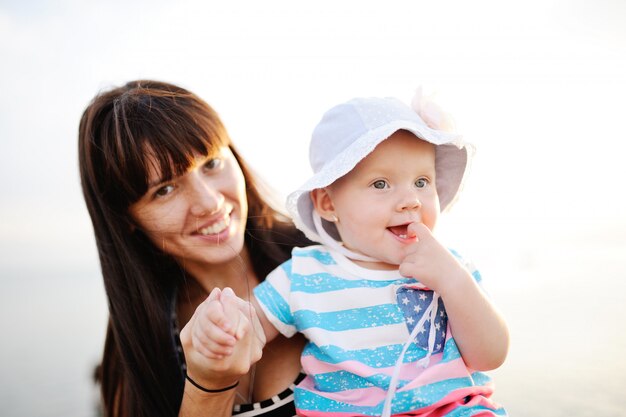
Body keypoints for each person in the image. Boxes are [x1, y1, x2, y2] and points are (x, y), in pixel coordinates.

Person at [204, 91, 510, 416]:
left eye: (422, 181)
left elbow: (489, 356)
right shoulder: (304, 274)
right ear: (328, 204)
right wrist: (222, 325)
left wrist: (453, 282)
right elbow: (249, 327)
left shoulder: (449, 267)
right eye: (381, 184)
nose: (412, 200)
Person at [78, 80, 312, 417]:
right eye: (165, 189)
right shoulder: (141, 344)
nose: (209, 202)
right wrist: (209, 384)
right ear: (127, 219)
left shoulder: (327, 256)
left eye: (211, 164)